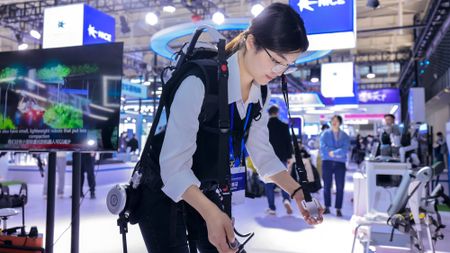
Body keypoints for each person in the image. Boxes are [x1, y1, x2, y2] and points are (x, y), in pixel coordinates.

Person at [138, 3, 323, 253]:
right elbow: (172, 167)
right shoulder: (200, 81)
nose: (279, 72)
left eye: (287, 65)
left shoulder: (261, 92)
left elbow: (263, 156)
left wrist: (297, 191)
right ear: (251, 42)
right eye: (277, 60)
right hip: (161, 188)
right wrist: (211, 214)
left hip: (203, 186)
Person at [265, 105, 293, 215]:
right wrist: (289, 157)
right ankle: (286, 200)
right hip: (282, 158)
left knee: (269, 184)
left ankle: (272, 208)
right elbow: (288, 143)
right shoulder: (284, 126)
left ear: (269, 113)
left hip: (268, 159)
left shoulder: (265, 127)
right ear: (277, 113)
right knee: (284, 182)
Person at [320, 115, 350, 217]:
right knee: (326, 186)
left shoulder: (345, 135)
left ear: (340, 122)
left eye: (336, 121)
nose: (334, 122)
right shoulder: (325, 134)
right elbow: (323, 147)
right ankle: (327, 207)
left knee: (340, 186)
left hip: (340, 163)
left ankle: (338, 208)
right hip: (327, 162)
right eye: (333, 120)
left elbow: (345, 148)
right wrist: (332, 152)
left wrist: (334, 153)